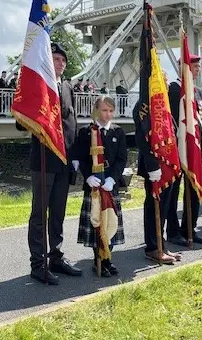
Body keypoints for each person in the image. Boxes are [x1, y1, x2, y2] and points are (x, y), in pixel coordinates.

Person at [27, 42, 80, 284]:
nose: (59, 63)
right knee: (40, 214)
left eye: (62, 60)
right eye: (55, 59)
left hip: (63, 160)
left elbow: (72, 122)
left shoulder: (67, 86)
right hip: (44, 160)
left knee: (58, 212)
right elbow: (21, 120)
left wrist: (75, 156)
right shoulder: (37, 85)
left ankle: (55, 257)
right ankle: (38, 264)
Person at [76, 96, 126, 276]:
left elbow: (121, 159)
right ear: (97, 110)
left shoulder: (118, 132)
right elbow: (81, 158)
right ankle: (98, 258)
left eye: (111, 111)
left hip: (110, 185)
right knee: (95, 222)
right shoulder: (86, 132)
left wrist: (113, 179)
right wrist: (88, 176)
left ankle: (108, 259)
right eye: (105, 110)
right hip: (93, 186)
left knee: (110, 222)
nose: (108, 114)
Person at [166, 54, 202, 246]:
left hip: (195, 147)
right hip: (177, 147)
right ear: (182, 67)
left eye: (198, 66)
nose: (197, 69)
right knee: (173, 192)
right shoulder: (173, 90)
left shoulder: (198, 91)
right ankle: (173, 232)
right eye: (193, 65)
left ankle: (190, 228)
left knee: (193, 189)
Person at [133, 98, 177, 264]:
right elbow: (141, 138)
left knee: (164, 205)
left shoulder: (164, 103)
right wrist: (152, 165)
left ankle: (161, 245)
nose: (164, 84)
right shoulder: (143, 105)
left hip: (166, 163)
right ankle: (152, 247)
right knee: (153, 205)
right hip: (153, 165)